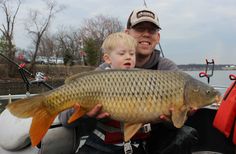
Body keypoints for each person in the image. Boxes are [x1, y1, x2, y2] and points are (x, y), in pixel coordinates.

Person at [59, 7, 198, 154]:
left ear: (158, 38)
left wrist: (172, 119)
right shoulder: (107, 69)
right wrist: (86, 112)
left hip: (146, 142)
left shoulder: (167, 69)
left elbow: (174, 123)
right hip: (104, 143)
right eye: (139, 29)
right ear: (127, 33)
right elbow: (64, 119)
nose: (146, 34)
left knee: (186, 134)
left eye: (151, 31)